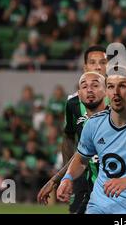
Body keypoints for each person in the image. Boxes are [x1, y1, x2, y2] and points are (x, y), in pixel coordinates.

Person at [56, 66, 126, 214]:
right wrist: (68, 177)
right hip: (98, 205)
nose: (116, 93)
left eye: (122, 86)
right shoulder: (93, 124)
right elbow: (81, 158)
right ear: (106, 92)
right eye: (110, 86)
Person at [37, 45, 107, 213]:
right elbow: (69, 138)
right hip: (84, 172)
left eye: (103, 62)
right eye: (92, 62)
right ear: (85, 67)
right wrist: (68, 176)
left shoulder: (122, 99)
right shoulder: (73, 103)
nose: (98, 67)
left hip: (116, 176)